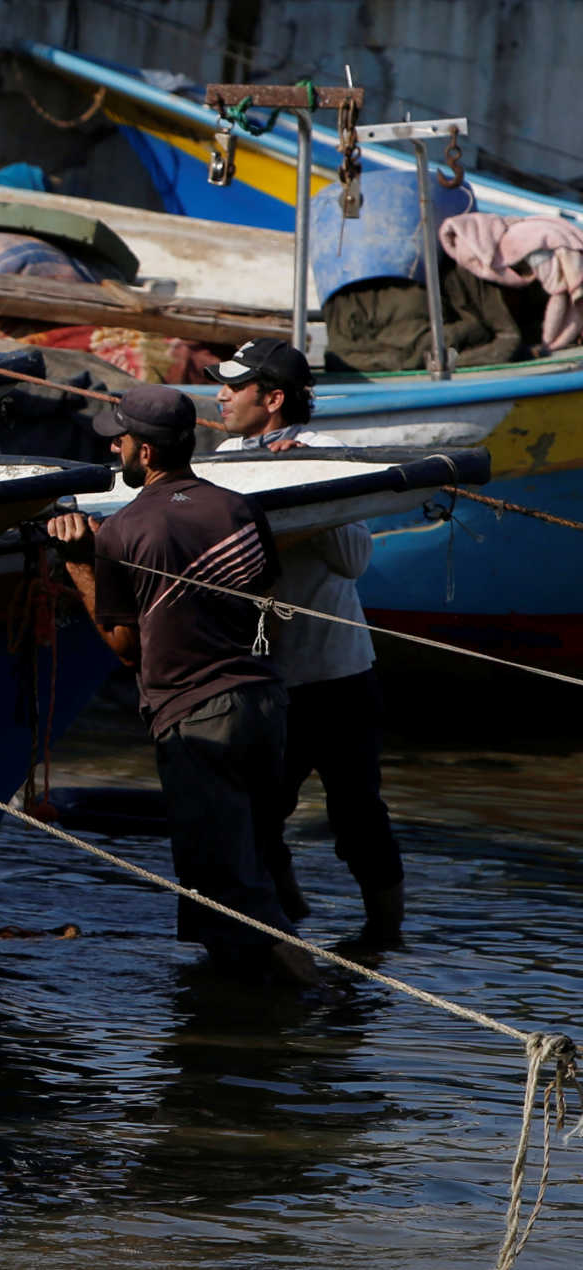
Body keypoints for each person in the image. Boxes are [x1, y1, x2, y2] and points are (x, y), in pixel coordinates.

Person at [45, 383, 317, 984]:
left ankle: (323, 996)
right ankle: (243, 1003)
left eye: (119, 439)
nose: (113, 447)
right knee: (249, 861)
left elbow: (124, 649)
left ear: (144, 452)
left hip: (197, 718)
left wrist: (80, 564)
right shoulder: (238, 508)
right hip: (267, 704)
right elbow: (268, 602)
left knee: (226, 885)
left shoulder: (125, 529)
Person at [209, 338, 405, 947]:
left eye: (234, 387)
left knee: (357, 813)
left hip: (339, 674)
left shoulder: (322, 453)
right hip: (264, 674)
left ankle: (384, 933)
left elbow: (352, 561)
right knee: (258, 813)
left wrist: (313, 486)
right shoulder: (224, 456)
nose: (220, 395)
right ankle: (289, 919)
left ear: (271, 399)